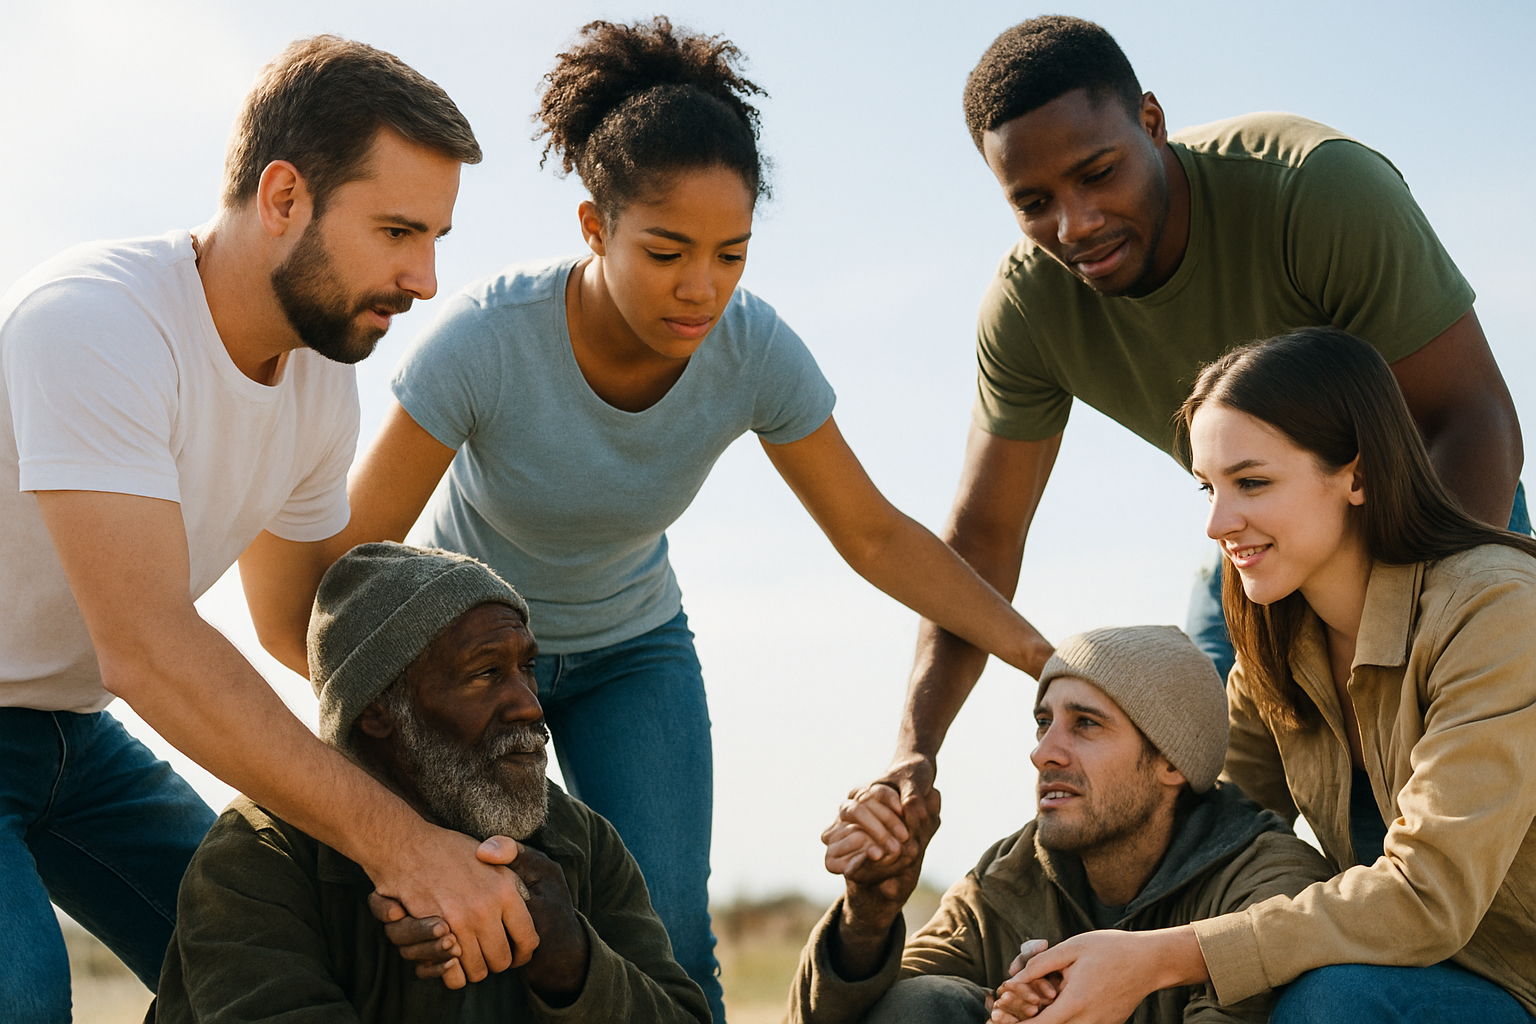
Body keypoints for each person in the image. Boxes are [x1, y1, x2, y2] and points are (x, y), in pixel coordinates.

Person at [305, 19, 1051, 1020]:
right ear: (594, 227)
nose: (701, 288)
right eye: (666, 252)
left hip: (632, 652)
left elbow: (874, 533)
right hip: (465, 664)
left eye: (730, 254)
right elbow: (355, 569)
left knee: (670, 940)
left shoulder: (751, 351)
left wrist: (1043, 658)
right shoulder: (486, 340)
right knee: (465, 928)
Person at [845, 14, 1527, 864]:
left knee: (1441, 846)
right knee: (1181, 827)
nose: (1075, 224)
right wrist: (917, 748)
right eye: (1033, 203)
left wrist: (1395, 639)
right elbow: (981, 545)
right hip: (1254, 554)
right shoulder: (1027, 308)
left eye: (1098, 173)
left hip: (1437, 518)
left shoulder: (1315, 190)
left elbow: (1471, 418)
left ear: (1153, 122)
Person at [0, 36, 532, 1022]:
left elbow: (299, 630)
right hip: (78, 697)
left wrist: (458, 782)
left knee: (285, 951)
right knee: (22, 993)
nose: (423, 278)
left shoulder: (320, 381)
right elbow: (148, 649)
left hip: (71, 733)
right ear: (283, 196)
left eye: (435, 239)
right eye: (397, 231)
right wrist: (399, 845)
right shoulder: (95, 326)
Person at [989, 329, 1536, 1024]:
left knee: (1327, 1002)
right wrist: (1074, 962)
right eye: (1207, 488)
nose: (1217, 522)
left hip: (1513, 981)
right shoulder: (1273, 649)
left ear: (1358, 475)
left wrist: (1155, 959)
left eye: (1252, 483)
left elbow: (1430, 894)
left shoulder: (1497, 610)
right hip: (1412, 975)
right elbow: (1211, 837)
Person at [152, 542, 710, 1023]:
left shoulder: (578, 841)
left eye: (527, 668)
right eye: (485, 673)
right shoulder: (256, 859)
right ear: (377, 710)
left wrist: (574, 961)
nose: (529, 706)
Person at [795, 625, 1332, 1024]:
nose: (1043, 753)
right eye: (1043, 722)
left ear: (1173, 761)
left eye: (1086, 724)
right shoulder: (1010, 876)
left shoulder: (1270, 886)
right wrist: (868, 914)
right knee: (922, 1003)